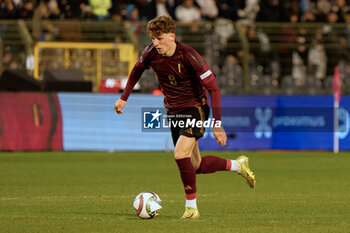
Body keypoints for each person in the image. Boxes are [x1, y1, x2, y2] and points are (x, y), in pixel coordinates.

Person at [114, 16, 255, 220]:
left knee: (180, 154)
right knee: (195, 165)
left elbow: (214, 89)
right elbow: (137, 70)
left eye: (159, 38)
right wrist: (124, 97)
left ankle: (191, 208)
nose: (155, 43)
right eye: (153, 39)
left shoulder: (189, 56)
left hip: (195, 109)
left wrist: (217, 123)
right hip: (173, 112)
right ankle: (238, 165)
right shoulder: (151, 53)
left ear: (172, 36)